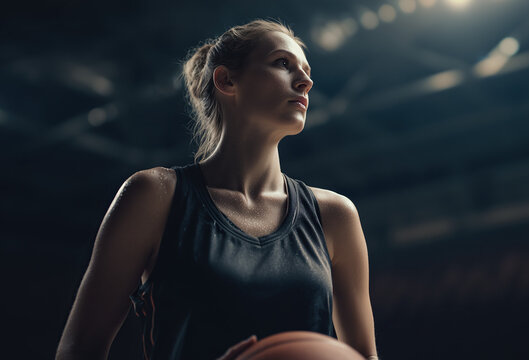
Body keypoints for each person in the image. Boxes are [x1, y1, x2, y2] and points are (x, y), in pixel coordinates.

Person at [56, 19, 379, 360]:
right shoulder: (155, 196)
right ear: (226, 80)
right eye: (283, 64)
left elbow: (364, 356)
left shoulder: (335, 215)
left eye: (306, 70)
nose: (306, 81)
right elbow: (78, 351)